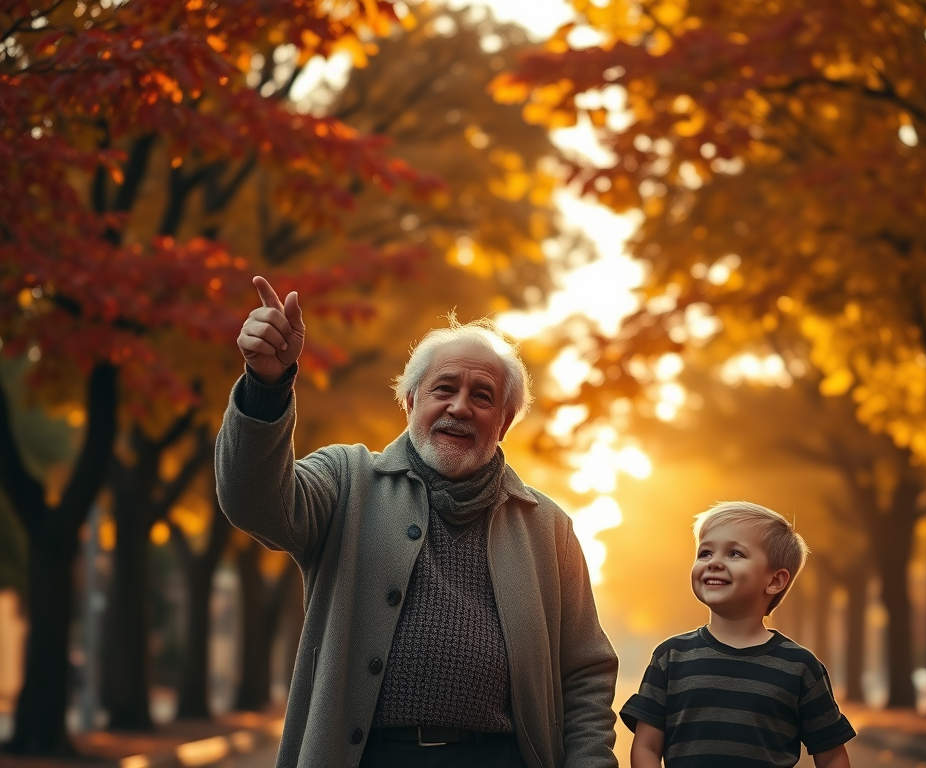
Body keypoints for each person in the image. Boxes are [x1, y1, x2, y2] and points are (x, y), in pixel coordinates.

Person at [215, 276, 618, 768]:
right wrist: (266, 386)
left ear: (504, 422)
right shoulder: (347, 480)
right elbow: (255, 503)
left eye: (483, 396)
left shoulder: (547, 526)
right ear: (410, 403)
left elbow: (586, 670)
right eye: (443, 389)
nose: (460, 406)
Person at [621, 501, 856, 768]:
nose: (715, 563)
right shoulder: (670, 657)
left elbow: (833, 756)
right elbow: (646, 747)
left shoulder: (800, 667)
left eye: (734, 554)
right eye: (705, 553)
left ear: (775, 581)